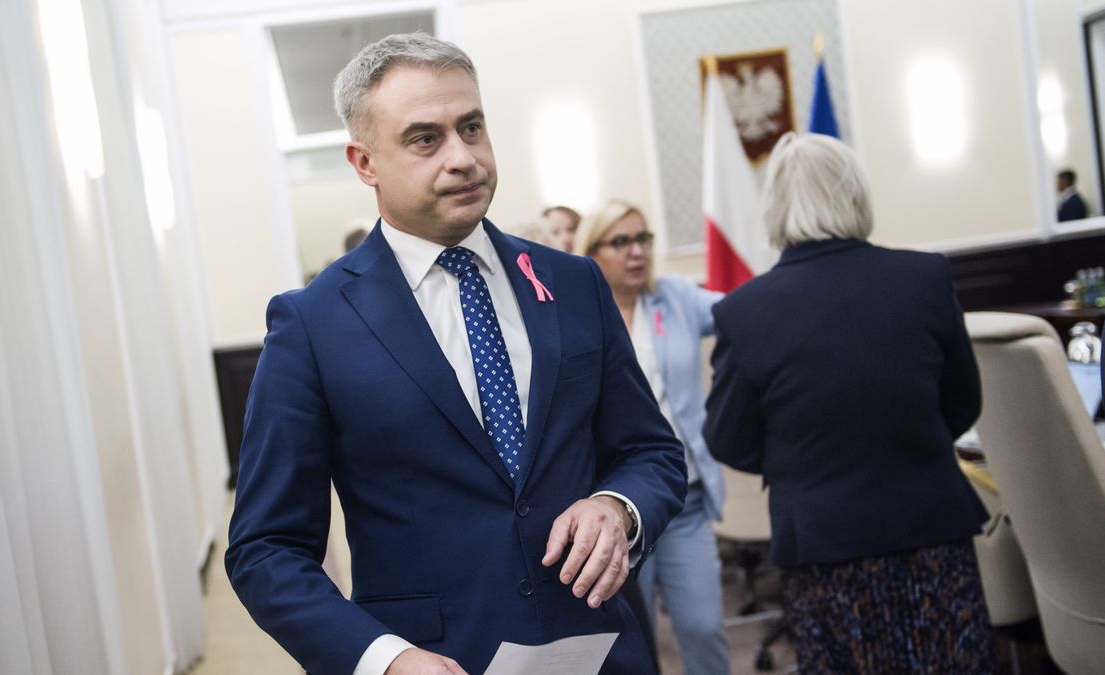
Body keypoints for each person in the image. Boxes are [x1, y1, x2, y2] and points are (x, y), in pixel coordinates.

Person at [225, 32, 687, 675]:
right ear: (365, 163)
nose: (463, 157)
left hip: (600, 649)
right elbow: (267, 549)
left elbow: (651, 452)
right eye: (425, 139)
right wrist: (383, 659)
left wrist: (619, 507)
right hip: (439, 658)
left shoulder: (574, 283)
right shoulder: (313, 324)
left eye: (472, 127)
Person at [703, 132, 995, 673]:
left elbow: (728, 438)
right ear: (856, 195)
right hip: (931, 528)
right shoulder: (925, 278)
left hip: (821, 543)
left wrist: (801, 460)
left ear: (777, 208)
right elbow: (963, 403)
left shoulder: (744, 311)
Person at [578, 200, 731, 675]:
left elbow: (744, 313)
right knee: (633, 640)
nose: (636, 251)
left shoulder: (676, 298)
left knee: (704, 626)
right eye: (621, 242)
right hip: (612, 508)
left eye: (643, 239)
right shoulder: (576, 312)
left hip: (682, 497)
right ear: (594, 250)